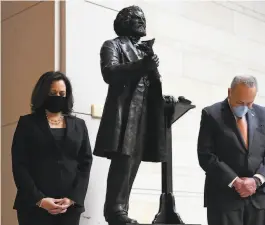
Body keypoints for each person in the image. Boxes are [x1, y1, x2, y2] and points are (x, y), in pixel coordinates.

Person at [93, 5, 175, 225]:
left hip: (144, 115)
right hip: (125, 113)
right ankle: (114, 211)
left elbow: (149, 83)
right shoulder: (113, 45)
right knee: (123, 162)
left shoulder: (145, 50)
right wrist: (142, 65)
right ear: (125, 21)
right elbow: (109, 73)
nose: (142, 21)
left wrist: (163, 97)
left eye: (144, 18)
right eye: (137, 18)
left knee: (133, 163)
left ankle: (122, 208)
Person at [11, 71, 93, 225]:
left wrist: (73, 198)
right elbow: (19, 165)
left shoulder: (79, 125)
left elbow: (85, 163)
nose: (58, 96)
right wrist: (39, 200)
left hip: (69, 207)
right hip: (33, 207)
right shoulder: (27, 124)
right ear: (43, 94)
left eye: (62, 93)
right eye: (53, 93)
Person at [197, 75, 265, 225]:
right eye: (240, 102)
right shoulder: (211, 114)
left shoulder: (264, 115)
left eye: (250, 103)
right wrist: (235, 181)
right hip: (224, 199)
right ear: (230, 92)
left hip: (259, 199)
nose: (245, 107)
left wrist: (256, 181)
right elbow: (205, 155)